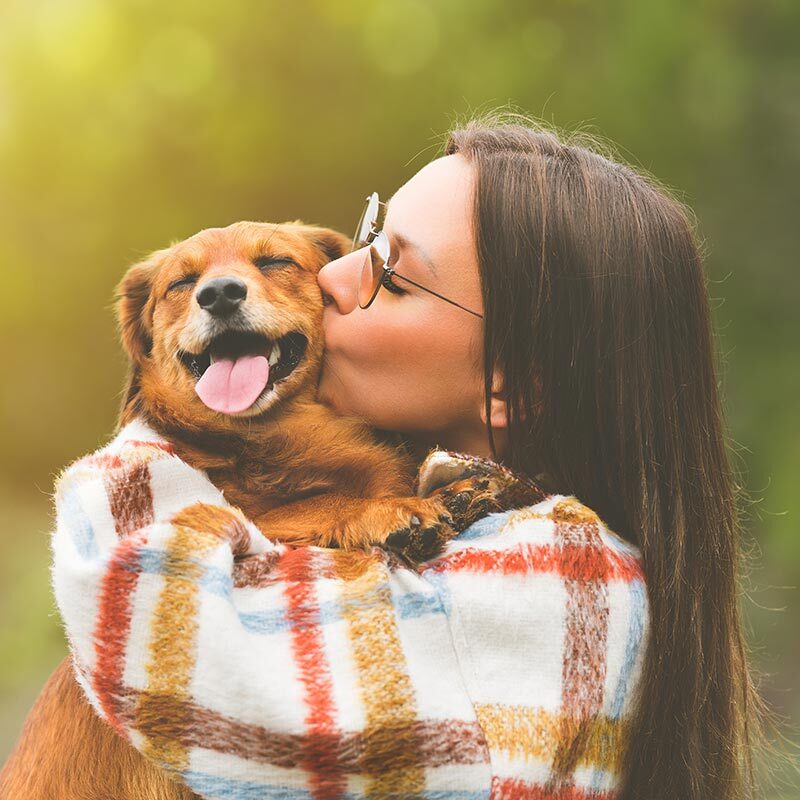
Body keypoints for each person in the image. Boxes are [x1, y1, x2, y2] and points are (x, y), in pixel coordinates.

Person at [47, 113, 764, 800]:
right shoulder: (444, 515)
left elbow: (157, 617)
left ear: (511, 385)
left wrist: (143, 452)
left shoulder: (563, 576)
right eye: (369, 237)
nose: (332, 277)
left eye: (392, 274)